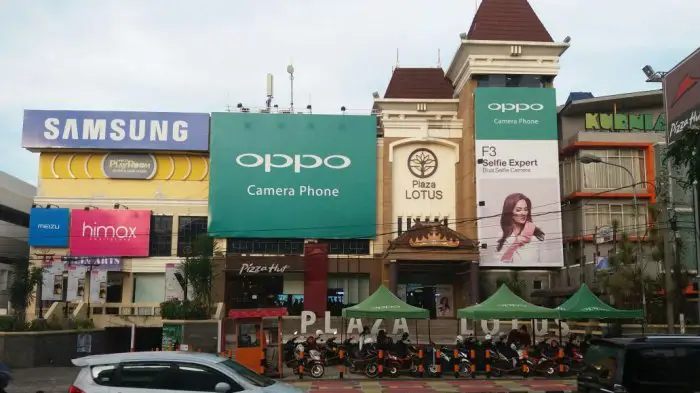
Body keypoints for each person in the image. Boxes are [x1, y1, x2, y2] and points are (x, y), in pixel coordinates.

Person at [494, 193, 545, 263]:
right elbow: (500, 264)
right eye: (518, 210)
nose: (523, 213)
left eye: (525, 209)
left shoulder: (536, 235)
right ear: (509, 213)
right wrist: (515, 244)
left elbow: (544, 264)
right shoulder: (502, 236)